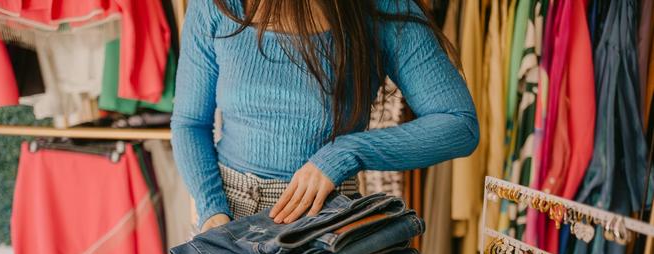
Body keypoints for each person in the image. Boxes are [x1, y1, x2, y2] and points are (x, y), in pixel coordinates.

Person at [172, 0, 478, 233]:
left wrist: (345, 153)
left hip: (327, 218)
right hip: (226, 213)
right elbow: (190, 122)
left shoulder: (380, 8)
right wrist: (212, 209)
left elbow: (458, 124)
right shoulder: (215, 6)